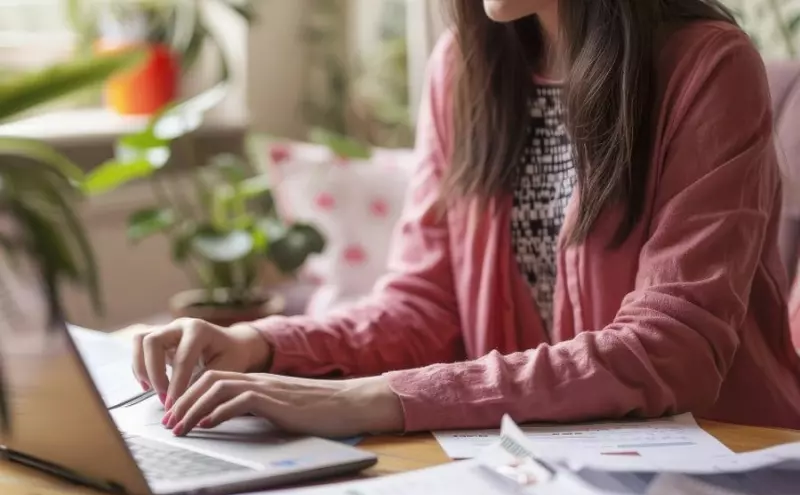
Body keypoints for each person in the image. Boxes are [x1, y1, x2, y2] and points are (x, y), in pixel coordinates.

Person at [134, 0, 800, 438]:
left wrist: (378, 397)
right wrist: (265, 344)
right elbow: (422, 306)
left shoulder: (708, 66)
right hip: (535, 464)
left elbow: (672, 349)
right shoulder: (462, 68)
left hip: (718, 464)